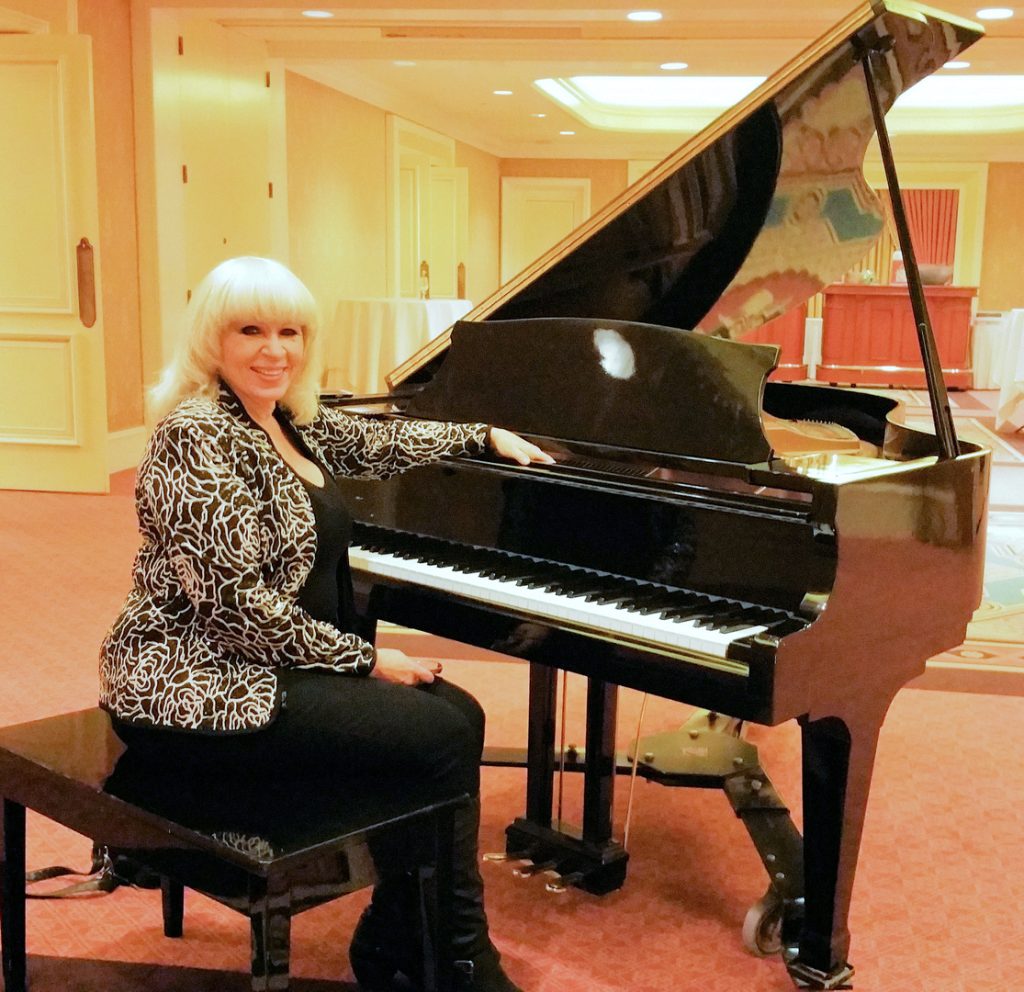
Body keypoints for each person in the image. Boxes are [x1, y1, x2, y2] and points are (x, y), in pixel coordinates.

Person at [99, 256, 553, 992]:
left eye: (291, 331)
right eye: (250, 330)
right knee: (441, 727)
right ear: (212, 339)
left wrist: (483, 435)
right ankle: (454, 953)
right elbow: (234, 606)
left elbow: (376, 444)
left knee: (455, 717)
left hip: (262, 664)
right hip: (190, 680)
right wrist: (368, 661)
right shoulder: (197, 434)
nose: (274, 349)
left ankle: (403, 935)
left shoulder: (281, 418)